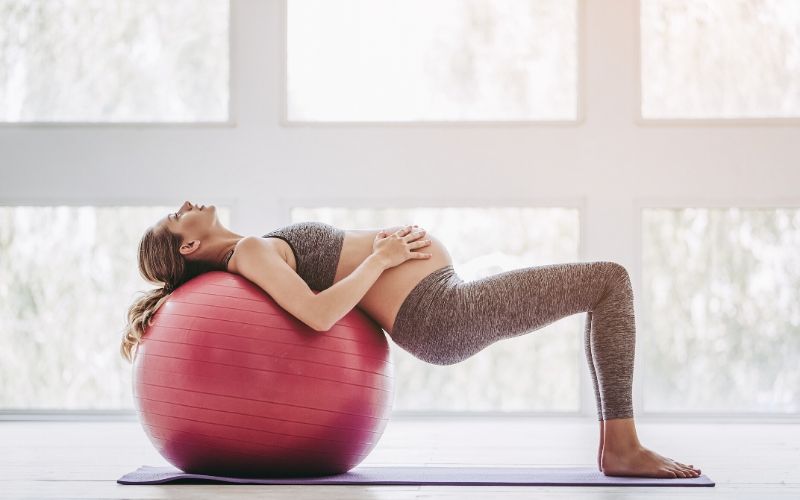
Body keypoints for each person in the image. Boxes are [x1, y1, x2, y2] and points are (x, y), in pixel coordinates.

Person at [121, 200, 702, 479]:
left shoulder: (253, 246)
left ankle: (620, 445)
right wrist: (382, 256)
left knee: (593, 285)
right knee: (609, 282)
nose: (186, 206)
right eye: (177, 218)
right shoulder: (248, 251)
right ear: (189, 248)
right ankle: (621, 447)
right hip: (439, 314)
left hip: (445, 298)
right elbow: (320, 315)